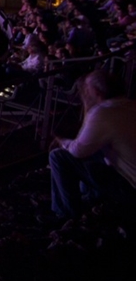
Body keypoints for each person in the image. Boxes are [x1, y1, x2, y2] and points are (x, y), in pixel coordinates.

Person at [50, 69, 136, 220]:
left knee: (58, 156)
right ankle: (92, 196)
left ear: (96, 92)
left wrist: (62, 141)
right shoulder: (131, 105)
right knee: (95, 151)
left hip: (130, 188)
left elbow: (77, 151)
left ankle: (66, 213)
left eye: (86, 90)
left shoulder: (103, 112)